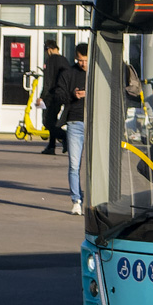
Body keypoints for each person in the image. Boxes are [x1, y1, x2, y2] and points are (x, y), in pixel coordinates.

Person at [55, 43, 89, 215]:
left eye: (85, 60)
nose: (83, 64)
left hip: (94, 123)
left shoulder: (97, 73)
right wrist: (72, 95)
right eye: (80, 60)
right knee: (74, 165)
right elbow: (58, 95)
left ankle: (93, 199)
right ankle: (76, 200)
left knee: (94, 165)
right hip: (75, 123)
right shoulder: (69, 73)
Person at [39, 39, 69, 155]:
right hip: (63, 95)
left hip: (51, 96)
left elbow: (48, 81)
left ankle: (65, 136)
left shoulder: (50, 60)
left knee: (47, 121)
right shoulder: (64, 60)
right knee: (53, 120)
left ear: (49, 50)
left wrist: (42, 97)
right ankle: (51, 146)